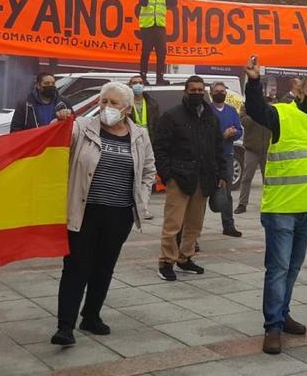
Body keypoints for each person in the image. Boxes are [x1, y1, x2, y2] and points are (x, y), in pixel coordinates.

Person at [51, 82, 156, 346]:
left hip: (119, 215)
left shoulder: (140, 135)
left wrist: (140, 199)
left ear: (127, 109)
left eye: (113, 103)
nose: (106, 107)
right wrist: (60, 120)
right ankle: (65, 326)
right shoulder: (81, 128)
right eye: (103, 101)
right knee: (76, 267)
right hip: (83, 211)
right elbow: (57, 143)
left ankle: (91, 316)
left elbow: (148, 171)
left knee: (104, 267)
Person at [243, 57, 307, 355]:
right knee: (278, 268)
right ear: (300, 91)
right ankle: (273, 327)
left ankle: (283, 313)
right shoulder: (282, 114)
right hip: (281, 208)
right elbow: (256, 110)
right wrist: (254, 81)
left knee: (292, 268)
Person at [154, 76, 227, 281]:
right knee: (173, 224)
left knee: (195, 224)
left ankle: (185, 257)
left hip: (203, 179)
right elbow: (160, 148)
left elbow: (218, 147)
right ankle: (166, 261)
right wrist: (167, 175)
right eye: (193, 90)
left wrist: (222, 174)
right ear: (185, 91)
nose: (197, 93)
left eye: (200, 90)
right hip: (179, 178)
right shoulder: (172, 116)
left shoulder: (210, 116)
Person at [210, 81, 244, 237]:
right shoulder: (207, 111)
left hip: (228, 155)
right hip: (210, 157)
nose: (220, 93)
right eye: (217, 91)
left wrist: (233, 133)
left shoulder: (231, 110)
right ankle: (193, 231)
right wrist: (222, 135)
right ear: (211, 93)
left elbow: (239, 130)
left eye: (222, 91)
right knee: (203, 194)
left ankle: (228, 225)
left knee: (227, 193)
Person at [126, 75, 160, 220]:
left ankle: (143, 208)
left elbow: (157, 125)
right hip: (131, 140)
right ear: (129, 85)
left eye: (140, 83)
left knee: (147, 175)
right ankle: (130, 206)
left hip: (148, 140)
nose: (138, 85)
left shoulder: (151, 103)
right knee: (132, 175)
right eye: (134, 83)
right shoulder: (125, 102)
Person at [138, 0, 177, 85]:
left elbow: (173, 4)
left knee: (162, 53)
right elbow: (143, 3)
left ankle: (160, 78)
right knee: (145, 53)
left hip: (159, 28)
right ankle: (143, 77)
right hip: (147, 28)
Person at [236, 104, 271, 215]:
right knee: (247, 177)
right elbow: (244, 122)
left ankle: (269, 203)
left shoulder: (268, 106)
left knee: (268, 178)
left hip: (267, 149)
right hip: (252, 149)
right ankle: (242, 204)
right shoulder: (246, 107)